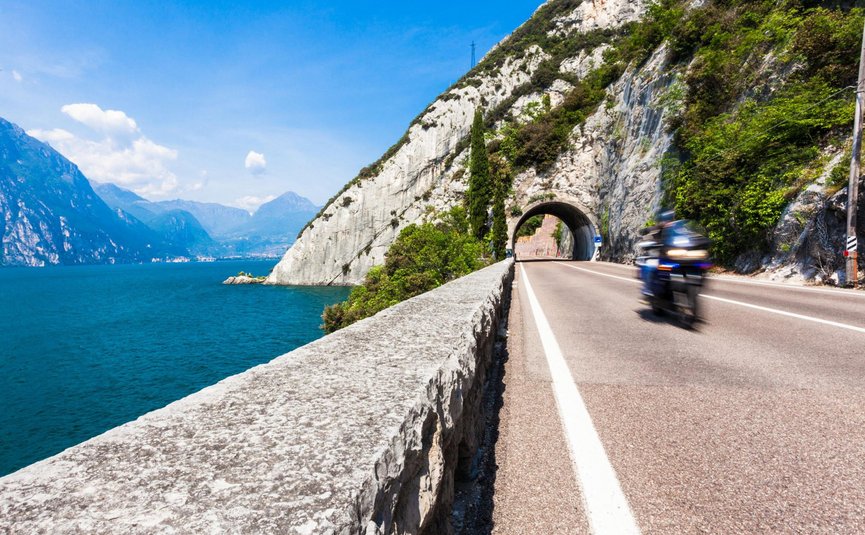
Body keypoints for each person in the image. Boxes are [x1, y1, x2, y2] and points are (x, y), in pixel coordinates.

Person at [640, 210, 675, 298]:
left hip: (674, 257)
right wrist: (644, 231)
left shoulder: (677, 229)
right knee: (649, 266)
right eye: (665, 220)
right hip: (660, 257)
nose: (667, 222)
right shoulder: (656, 229)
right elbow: (647, 231)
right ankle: (647, 288)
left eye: (669, 220)